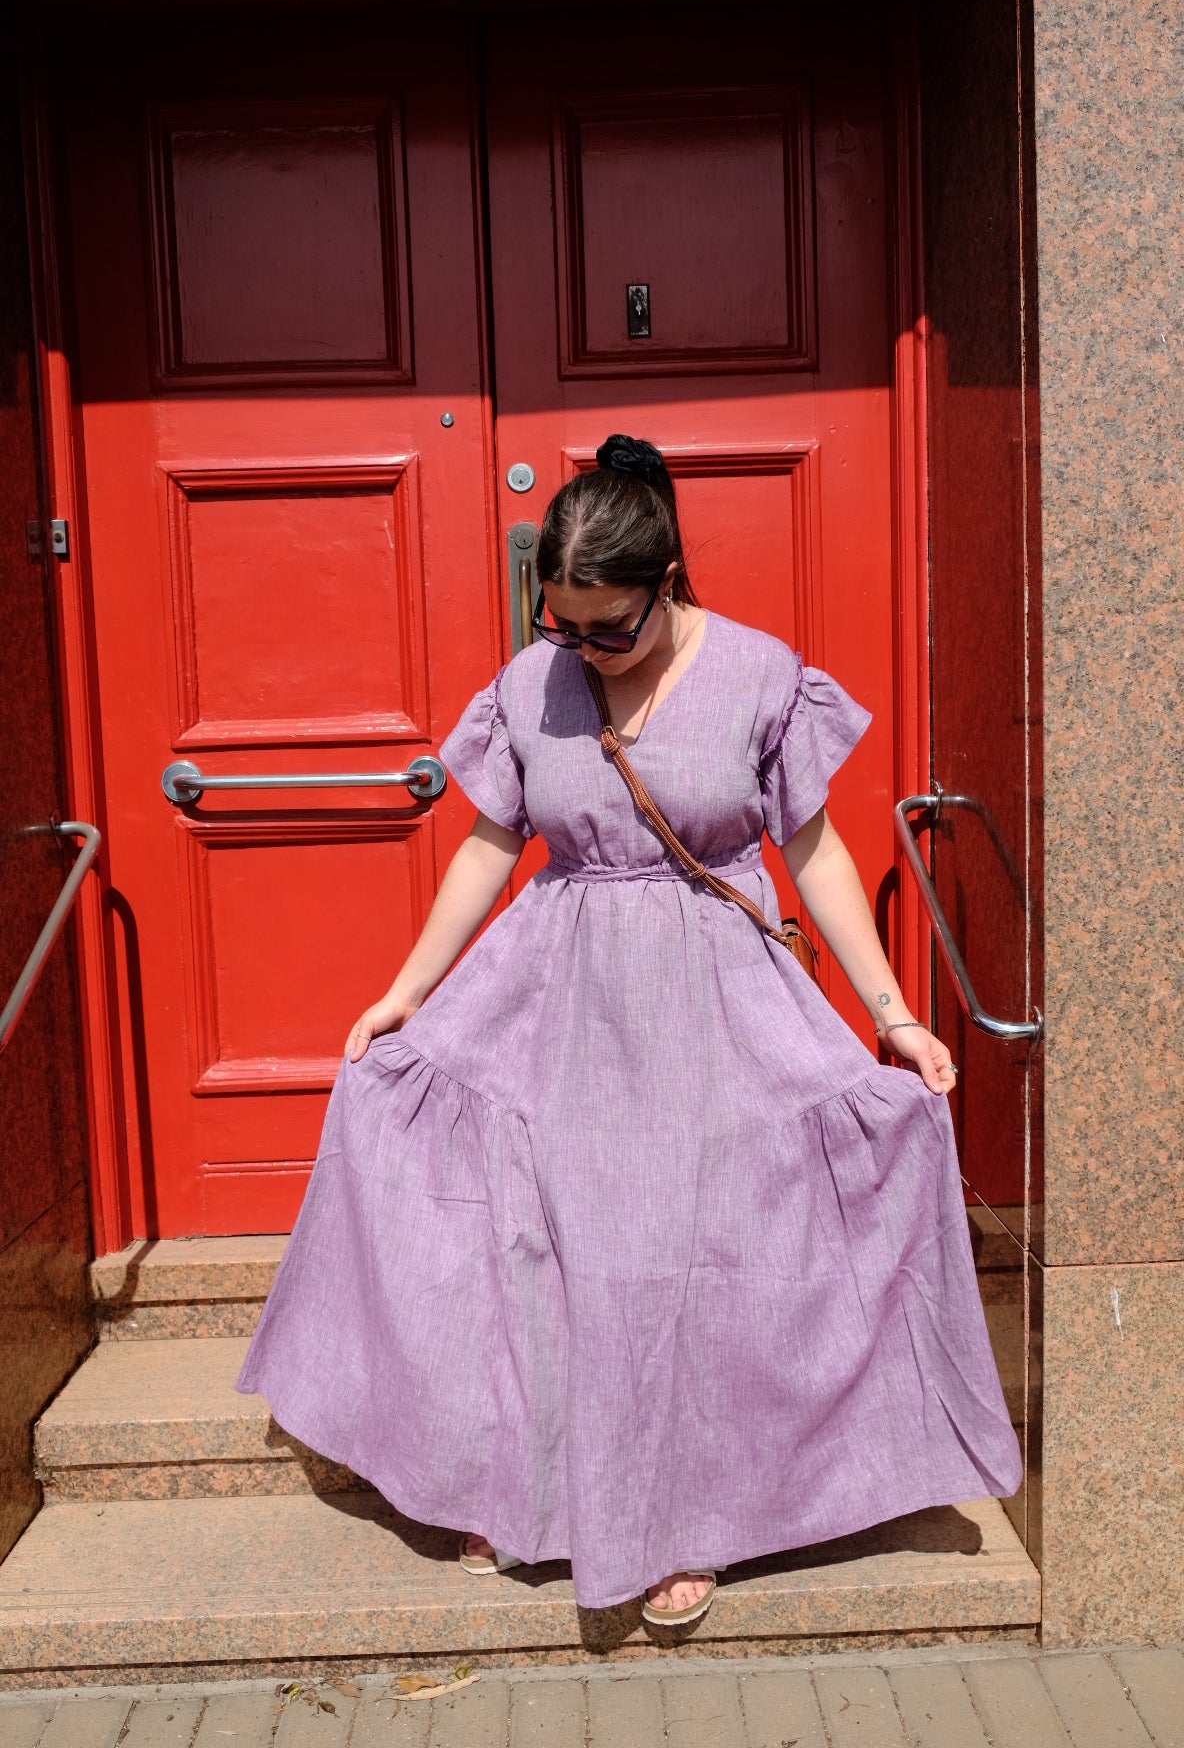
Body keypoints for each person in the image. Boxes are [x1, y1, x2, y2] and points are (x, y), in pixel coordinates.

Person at [234, 434, 1022, 1629]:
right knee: (543, 1240)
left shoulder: (760, 677)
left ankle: (687, 1518)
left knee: (695, 1256)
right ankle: (518, 1478)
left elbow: (809, 849)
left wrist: (893, 1016)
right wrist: (403, 991)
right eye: (564, 627)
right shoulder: (527, 686)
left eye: (611, 627)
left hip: (718, 1005)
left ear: (669, 580)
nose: (585, 652)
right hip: (554, 996)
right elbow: (492, 843)